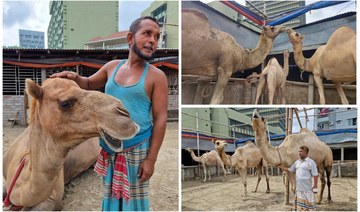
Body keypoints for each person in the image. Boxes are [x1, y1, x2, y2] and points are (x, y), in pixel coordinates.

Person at [50, 16, 168, 211]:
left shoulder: (157, 76)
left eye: (157, 36)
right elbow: (88, 84)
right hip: (110, 147)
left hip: (137, 149)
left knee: (134, 204)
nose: (152, 41)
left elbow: (161, 118)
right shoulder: (112, 67)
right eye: (147, 34)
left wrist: (151, 160)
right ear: (130, 38)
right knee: (111, 196)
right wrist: (74, 77)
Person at [279, 146, 318, 211]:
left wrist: (315, 186)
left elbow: (315, 175)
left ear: (306, 153)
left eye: (301, 152)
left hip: (308, 190)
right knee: (300, 208)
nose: (299, 153)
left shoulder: (311, 162)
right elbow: (290, 169)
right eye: (299, 151)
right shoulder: (297, 162)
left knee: (310, 208)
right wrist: (281, 167)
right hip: (299, 189)